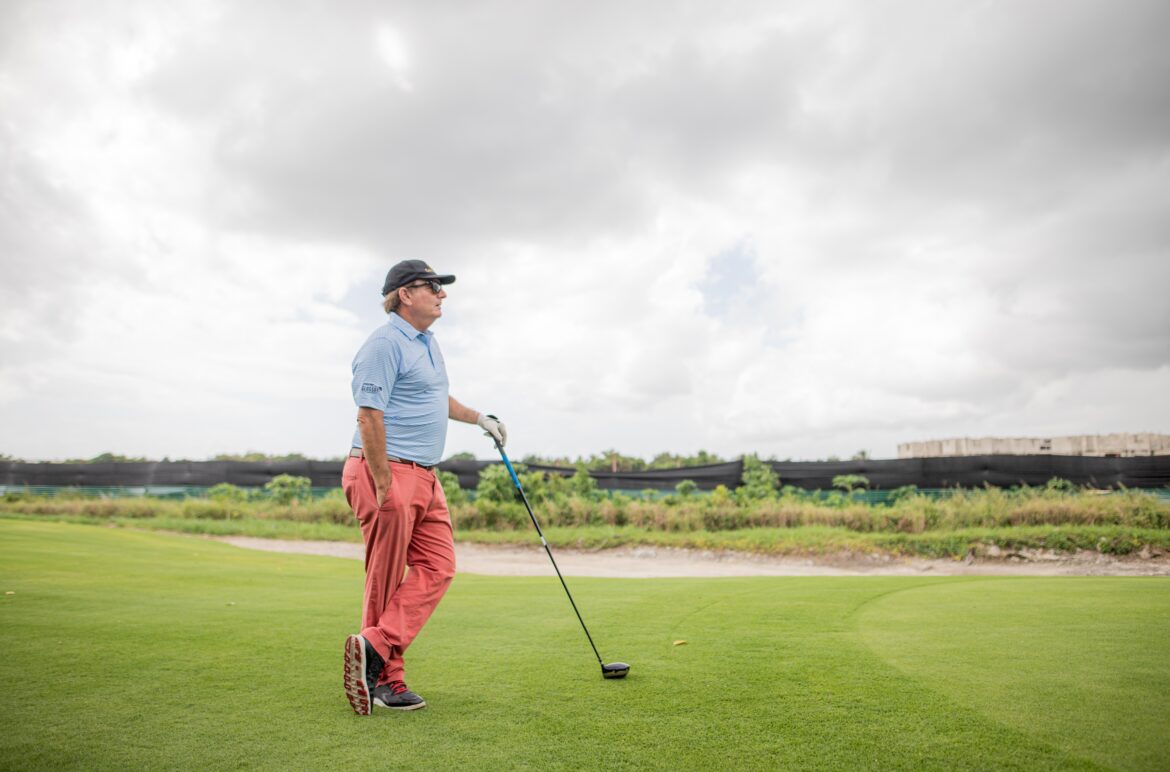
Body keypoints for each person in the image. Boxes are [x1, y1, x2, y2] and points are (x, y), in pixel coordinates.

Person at [341, 259, 505, 715]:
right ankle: (385, 681)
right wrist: (383, 483)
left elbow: (434, 396)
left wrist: (479, 418)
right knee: (385, 578)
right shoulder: (384, 344)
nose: (441, 293)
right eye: (432, 286)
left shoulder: (427, 343)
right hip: (386, 470)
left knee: (439, 566)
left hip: (426, 475)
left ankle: (374, 645)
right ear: (405, 294)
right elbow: (368, 415)